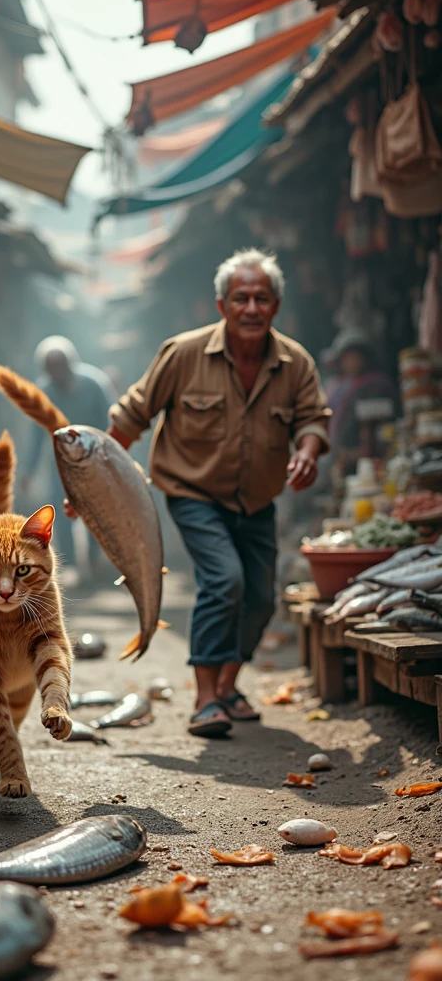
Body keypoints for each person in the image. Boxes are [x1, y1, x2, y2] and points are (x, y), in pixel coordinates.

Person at [69, 249, 331, 738]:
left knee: (259, 597)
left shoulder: (295, 363)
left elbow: (313, 418)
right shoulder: (184, 353)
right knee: (225, 580)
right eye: (240, 298)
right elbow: (130, 418)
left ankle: (230, 685)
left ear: (276, 305)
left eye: (261, 298)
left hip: (258, 499)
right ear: (221, 305)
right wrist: (91, 486)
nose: (251, 308)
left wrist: (309, 451)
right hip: (192, 492)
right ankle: (206, 698)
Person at [21, 336, 116, 577]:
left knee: (96, 512)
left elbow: (111, 425)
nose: (56, 373)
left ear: (70, 364)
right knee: (61, 514)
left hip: (94, 462)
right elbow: (36, 436)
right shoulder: (43, 393)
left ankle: (95, 562)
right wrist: (28, 472)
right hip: (60, 466)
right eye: (51, 368)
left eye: (60, 366)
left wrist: (112, 461)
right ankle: (71, 564)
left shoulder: (93, 384)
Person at [324, 328, 399, 473]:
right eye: (348, 357)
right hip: (340, 458)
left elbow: (384, 425)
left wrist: (362, 451)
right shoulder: (335, 387)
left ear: (366, 358)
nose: (353, 361)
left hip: (373, 458)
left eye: (357, 356)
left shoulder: (377, 384)